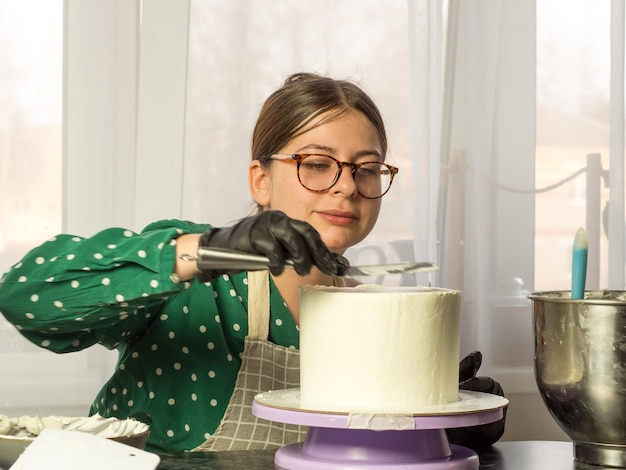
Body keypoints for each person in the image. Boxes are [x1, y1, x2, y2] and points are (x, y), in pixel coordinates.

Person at [0, 72, 504, 454]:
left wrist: (439, 426)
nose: (347, 186)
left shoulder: (373, 319)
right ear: (260, 181)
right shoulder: (194, 285)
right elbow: (25, 296)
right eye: (316, 163)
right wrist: (208, 251)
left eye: (367, 169)